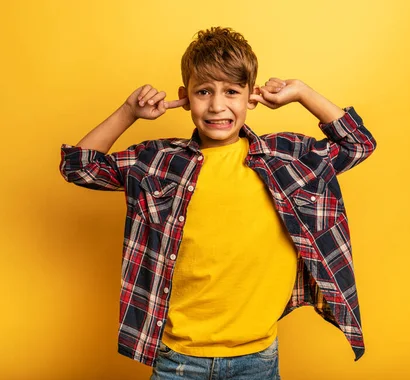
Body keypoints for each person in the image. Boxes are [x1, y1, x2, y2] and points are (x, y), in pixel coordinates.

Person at [59, 26, 377, 380]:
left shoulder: (284, 158)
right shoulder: (159, 163)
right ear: (185, 96)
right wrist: (128, 111)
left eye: (231, 92)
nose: (216, 106)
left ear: (250, 96)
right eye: (204, 92)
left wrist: (301, 92)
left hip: (256, 358)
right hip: (178, 358)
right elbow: (79, 166)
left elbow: (358, 144)